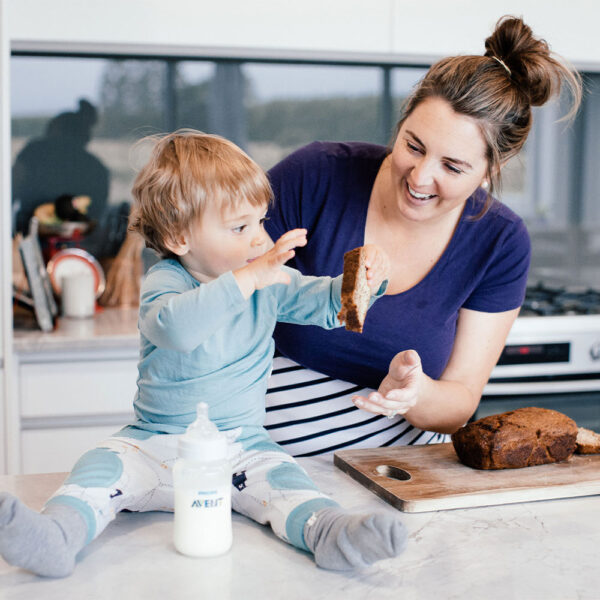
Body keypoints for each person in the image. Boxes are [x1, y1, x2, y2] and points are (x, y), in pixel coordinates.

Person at [0, 130, 405, 578]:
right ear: (178, 237)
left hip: (240, 447)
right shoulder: (168, 282)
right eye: (239, 227)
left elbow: (329, 305)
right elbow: (177, 328)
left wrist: (367, 278)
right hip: (152, 444)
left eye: (260, 222)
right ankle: (57, 536)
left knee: (286, 480)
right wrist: (250, 279)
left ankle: (331, 533)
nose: (258, 240)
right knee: (98, 468)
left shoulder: (268, 279)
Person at [263, 15, 583, 456]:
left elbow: (458, 403)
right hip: (255, 461)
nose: (420, 176)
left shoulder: (500, 242)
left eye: (452, 167)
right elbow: (225, 292)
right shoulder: (315, 175)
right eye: (413, 145)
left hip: (401, 475)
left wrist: (414, 392)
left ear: (493, 169)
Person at [11, 98, 144, 307]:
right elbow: (98, 212)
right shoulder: (97, 168)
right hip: (67, 241)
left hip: (42, 238)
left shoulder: (33, 152)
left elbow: (12, 191)